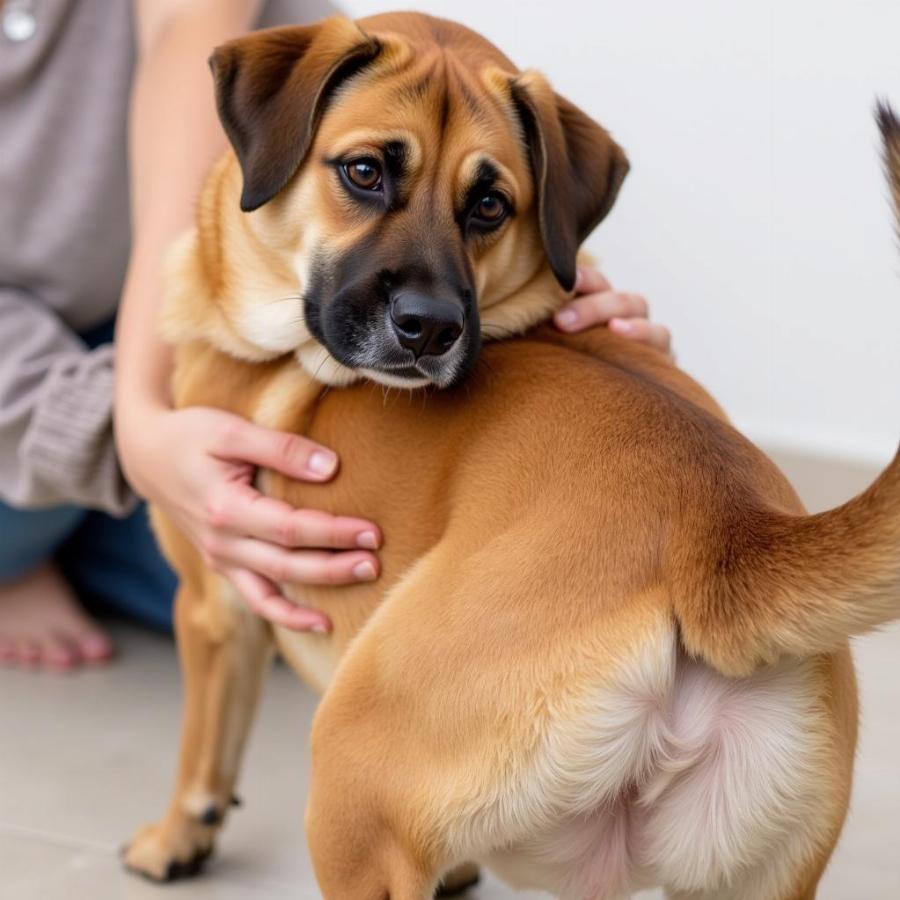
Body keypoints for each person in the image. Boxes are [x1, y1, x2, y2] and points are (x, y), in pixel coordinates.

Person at [0, 0, 671, 671]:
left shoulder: (371, 78)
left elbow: (188, 31)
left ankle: (82, 535)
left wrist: (583, 362)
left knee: (328, 573)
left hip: (183, 346)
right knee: (248, 572)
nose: (427, 307)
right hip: (45, 365)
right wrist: (133, 429)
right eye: (366, 174)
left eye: (485, 206)